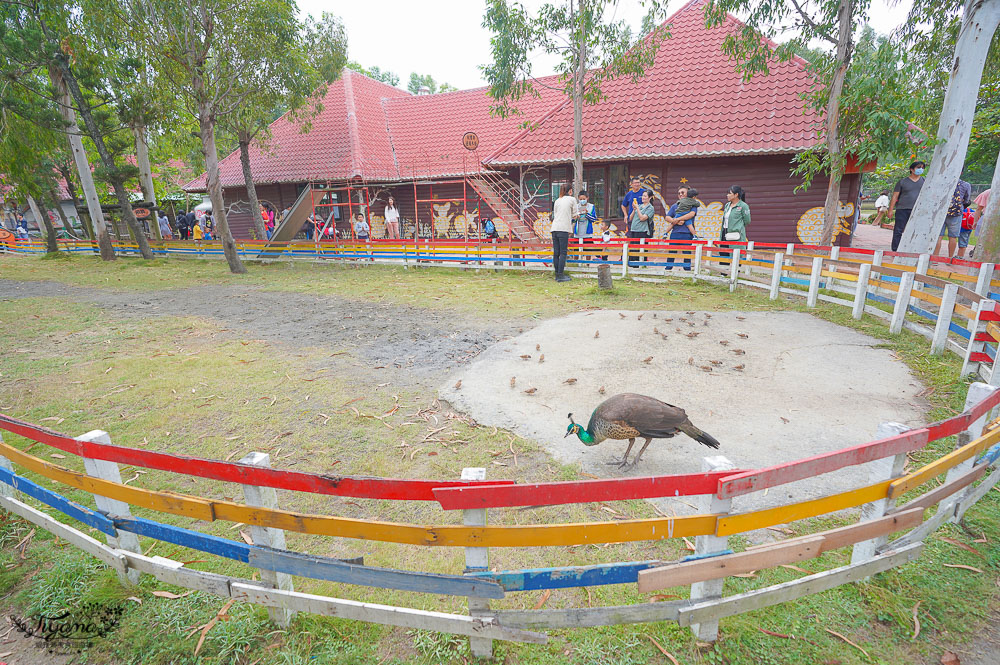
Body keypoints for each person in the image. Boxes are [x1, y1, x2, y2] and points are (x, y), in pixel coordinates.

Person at [888, 160, 926, 251]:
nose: (920, 169)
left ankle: (913, 248)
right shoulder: (902, 182)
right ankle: (895, 249)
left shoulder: (925, 181)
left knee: (916, 231)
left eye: (922, 168)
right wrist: (890, 210)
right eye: (918, 167)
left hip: (918, 210)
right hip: (902, 209)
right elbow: (895, 196)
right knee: (898, 230)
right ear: (912, 169)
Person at [936, 179, 972, 258]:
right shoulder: (966, 184)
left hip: (941, 212)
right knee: (953, 237)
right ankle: (950, 258)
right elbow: (967, 200)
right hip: (956, 213)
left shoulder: (943, 181)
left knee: (938, 236)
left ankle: (935, 258)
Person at [665, 185, 698, 270]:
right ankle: (668, 268)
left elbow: (691, 214)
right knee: (672, 251)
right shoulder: (675, 205)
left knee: (686, 252)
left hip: (687, 233)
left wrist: (678, 219)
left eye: (683, 192)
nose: (680, 194)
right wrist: (675, 221)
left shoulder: (692, 204)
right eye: (679, 193)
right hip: (675, 232)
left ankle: (687, 270)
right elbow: (667, 217)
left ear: (688, 193)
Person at [551, 184, 576, 282]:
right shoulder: (572, 199)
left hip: (554, 228)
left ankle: (557, 274)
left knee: (556, 253)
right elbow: (575, 214)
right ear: (570, 191)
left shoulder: (557, 200)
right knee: (563, 252)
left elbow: (556, 214)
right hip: (563, 229)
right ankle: (560, 275)